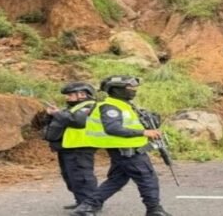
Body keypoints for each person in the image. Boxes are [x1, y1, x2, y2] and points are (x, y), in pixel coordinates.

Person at [66, 75, 171, 216]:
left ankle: (87, 207)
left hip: (126, 149)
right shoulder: (110, 106)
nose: (133, 90)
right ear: (115, 89)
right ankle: (154, 210)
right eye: (129, 87)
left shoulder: (123, 104)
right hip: (126, 151)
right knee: (147, 178)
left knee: (116, 180)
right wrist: (144, 132)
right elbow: (113, 128)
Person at [43, 82, 98, 210]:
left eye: (70, 95)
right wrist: (50, 114)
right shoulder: (72, 108)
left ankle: (90, 204)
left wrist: (57, 113)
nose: (67, 97)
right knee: (71, 177)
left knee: (82, 177)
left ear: (82, 94)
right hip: (67, 147)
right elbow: (58, 122)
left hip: (80, 148)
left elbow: (77, 121)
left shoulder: (88, 106)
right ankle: (81, 201)